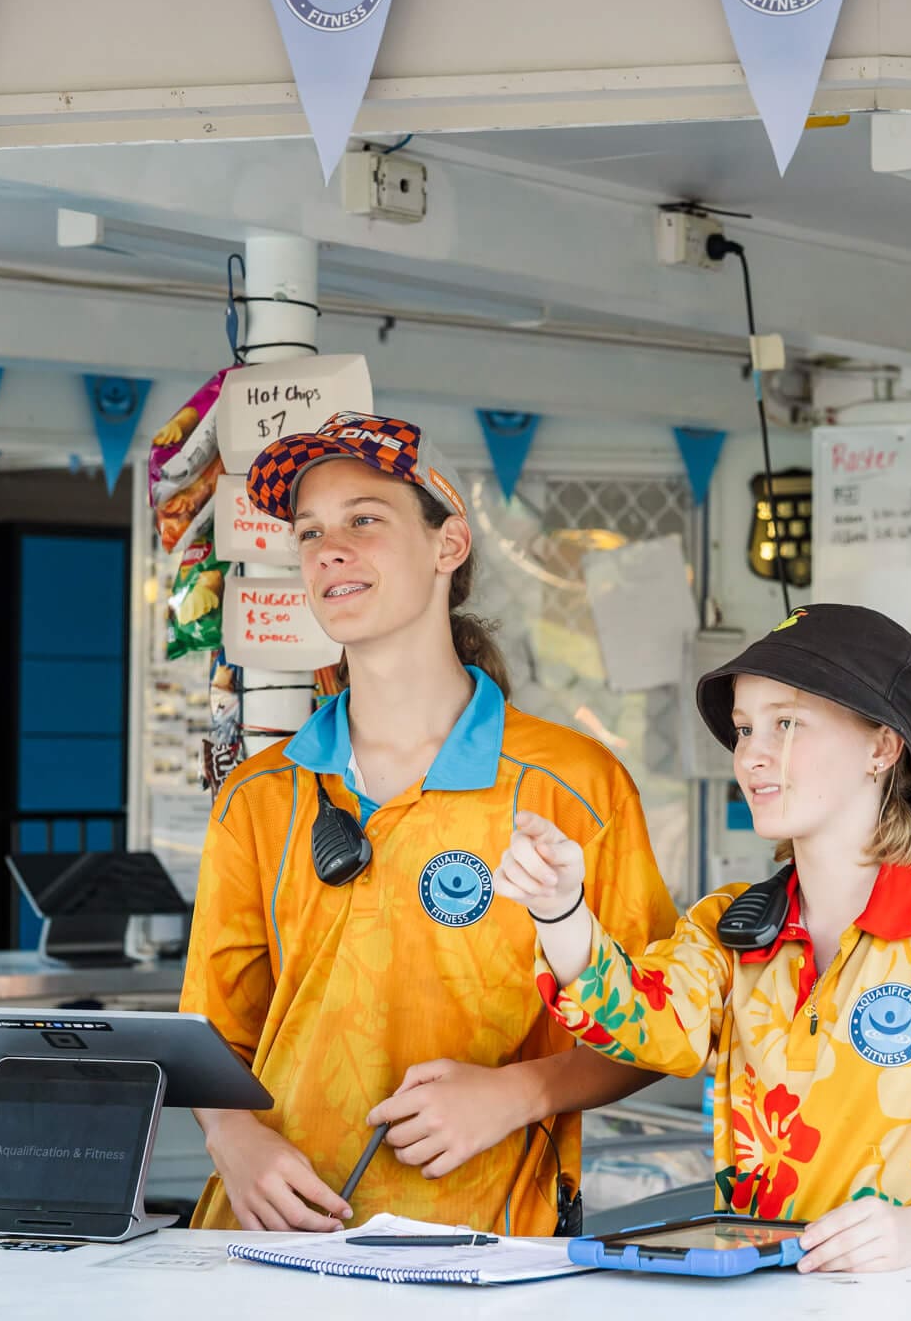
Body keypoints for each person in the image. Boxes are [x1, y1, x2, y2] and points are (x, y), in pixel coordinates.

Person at [493, 602, 911, 1274]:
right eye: (744, 728)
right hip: (758, 1295)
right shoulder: (727, 925)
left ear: (881, 746)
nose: (751, 755)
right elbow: (648, 1025)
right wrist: (560, 908)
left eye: (786, 725)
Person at [181, 410, 675, 1235]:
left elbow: (657, 1023)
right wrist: (231, 1136)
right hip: (264, 1240)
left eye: (364, 521)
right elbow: (214, 1034)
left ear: (448, 547)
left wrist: (522, 1093)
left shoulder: (572, 784)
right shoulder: (263, 793)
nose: (328, 551)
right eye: (309, 533)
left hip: (487, 1245)